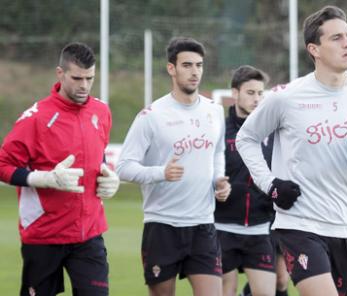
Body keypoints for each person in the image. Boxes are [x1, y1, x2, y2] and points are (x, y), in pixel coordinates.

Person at [235, 6, 347, 296]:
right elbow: (246, 138)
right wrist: (270, 185)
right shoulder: (286, 97)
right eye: (336, 38)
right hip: (300, 223)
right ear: (315, 49)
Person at [0, 42, 118, 296]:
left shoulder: (101, 111)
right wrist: (43, 178)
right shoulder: (36, 118)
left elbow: (98, 159)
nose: (84, 85)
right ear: (60, 73)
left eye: (90, 78)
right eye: (77, 78)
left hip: (89, 234)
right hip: (45, 236)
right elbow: (3, 165)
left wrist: (109, 176)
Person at [116, 37, 230, 296]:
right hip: (162, 226)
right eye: (187, 65)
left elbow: (218, 151)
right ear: (171, 68)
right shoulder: (152, 115)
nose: (194, 72)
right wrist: (160, 173)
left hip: (203, 225)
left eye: (199, 65)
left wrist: (218, 180)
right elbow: (123, 166)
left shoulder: (213, 111)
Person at [214, 65, 277, 296]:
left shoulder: (271, 131)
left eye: (260, 93)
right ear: (235, 93)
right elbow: (208, 169)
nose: (257, 99)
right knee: (225, 291)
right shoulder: (219, 129)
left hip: (260, 228)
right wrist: (215, 186)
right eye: (250, 93)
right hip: (222, 226)